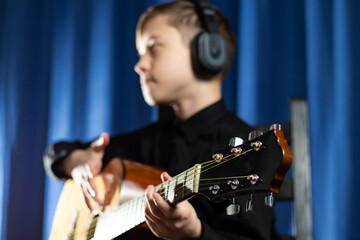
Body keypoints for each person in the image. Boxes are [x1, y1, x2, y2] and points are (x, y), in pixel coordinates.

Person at [44, 1, 281, 239]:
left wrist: (195, 232)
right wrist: (76, 160)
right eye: (140, 53)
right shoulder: (145, 142)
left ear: (208, 52)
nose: (139, 65)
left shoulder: (242, 151)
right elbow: (55, 153)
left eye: (153, 47)